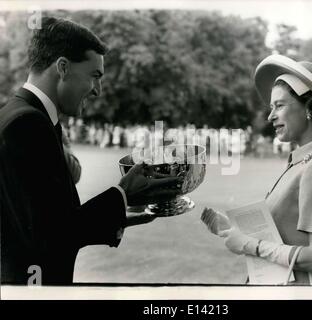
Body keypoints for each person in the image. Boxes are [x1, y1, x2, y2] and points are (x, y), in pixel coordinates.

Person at [0, 17, 181, 285]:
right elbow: (48, 236)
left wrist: (121, 212)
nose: (97, 90)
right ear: (62, 67)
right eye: (94, 76)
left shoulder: (20, 114)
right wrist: (123, 193)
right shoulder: (28, 123)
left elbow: (54, 220)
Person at [201, 55, 312, 285]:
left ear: (309, 108)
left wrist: (249, 244)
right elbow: (290, 234)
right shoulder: (309, 160)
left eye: (279, 105)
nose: (270, 116)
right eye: (271, 107)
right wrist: (235, 230)